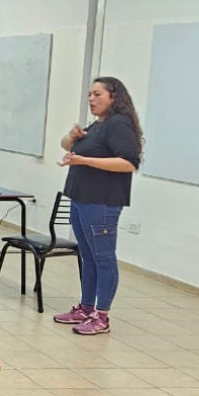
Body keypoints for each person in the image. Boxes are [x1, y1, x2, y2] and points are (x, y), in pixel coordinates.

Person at [53, 77, 143, 336]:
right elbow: (65, 145)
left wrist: (85, 160)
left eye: (97, 94)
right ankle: (85, 308)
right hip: (81, 198)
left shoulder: (119, 124)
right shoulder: (98, 124)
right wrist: (73, 137)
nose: (91, 99)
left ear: (114, 97)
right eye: (89, 95)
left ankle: (101, 316)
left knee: (103, 259)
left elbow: (129, 163)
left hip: (102, 202)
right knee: (88, 257)